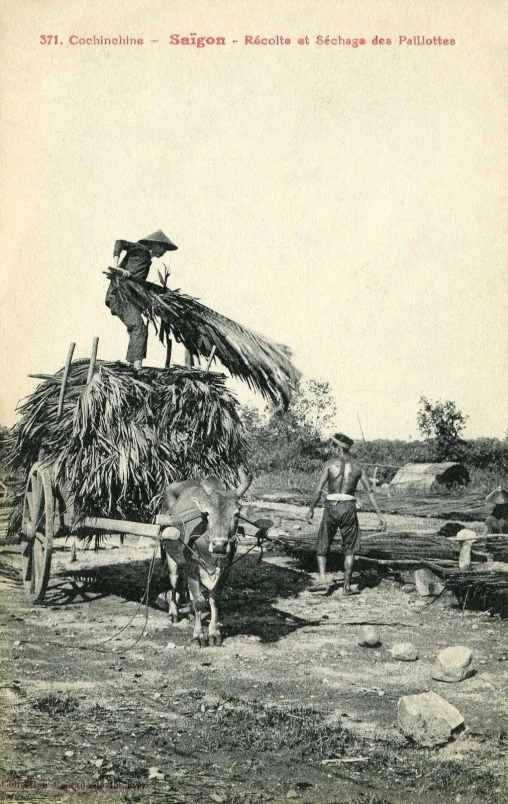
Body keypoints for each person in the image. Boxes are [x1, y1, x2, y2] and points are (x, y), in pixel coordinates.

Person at [306, 432, 387, 595]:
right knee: (350, 547)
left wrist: (311, 509)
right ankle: (346, 587)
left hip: (331, 506)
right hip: (348, 507)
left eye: (333, 447)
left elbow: (319, 489)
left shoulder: (329, 465)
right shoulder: (358, 467)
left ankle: (322, 579)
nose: (332, 449)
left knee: (323, 542)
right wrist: (380, 515)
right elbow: (370, 492)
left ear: (337, 448)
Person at [105, 230, 177, 369]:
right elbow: (120, 242)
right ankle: (137, 368)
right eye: (163, 247)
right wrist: (116, 266)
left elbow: (138, 283)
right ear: (155, 244)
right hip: (119, 296)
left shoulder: (146, 258)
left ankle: (132, 363)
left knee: (137, 328)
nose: (164, 252)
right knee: (139, 328)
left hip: (125, 297)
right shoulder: (141, 249)